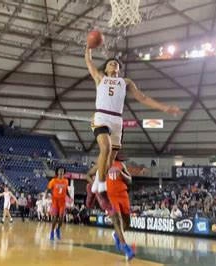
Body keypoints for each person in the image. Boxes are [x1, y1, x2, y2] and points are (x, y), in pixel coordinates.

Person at [84, 43, 181, 214]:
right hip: (101, 116)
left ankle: (92, 188)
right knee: (104, 148)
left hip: (117, 121)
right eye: (111, 63)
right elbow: (89, 61)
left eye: (117, 64)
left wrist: (164, 108)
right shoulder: (100, 77)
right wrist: (88, 47)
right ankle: (100, 190)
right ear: (105, 68)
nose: (115, 65)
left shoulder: (125, 82)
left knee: (108, 163)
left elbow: (142, 98)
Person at [105, 157, 134, 260]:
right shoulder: (104, 164)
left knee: (127, 223)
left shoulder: (121, 165)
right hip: (111, 196)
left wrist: (122, 175)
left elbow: (130, 180)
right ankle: (125, 247)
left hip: (123, 194)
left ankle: (117, 235)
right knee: (117, 220)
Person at [45, 167, 70, 241]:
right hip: (55, 201)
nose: (61, 172)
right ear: (57, 172)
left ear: (64, 172)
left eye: (62, 171)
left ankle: (58, 229)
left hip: (62, 202)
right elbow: (48, 189)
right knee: (55, 217)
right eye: (60, 171)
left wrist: (69, 196)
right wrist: (46, 194)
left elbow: (66, 189)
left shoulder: (66, 181)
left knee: (61, 218)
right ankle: (52, 231)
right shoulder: (53, 181)